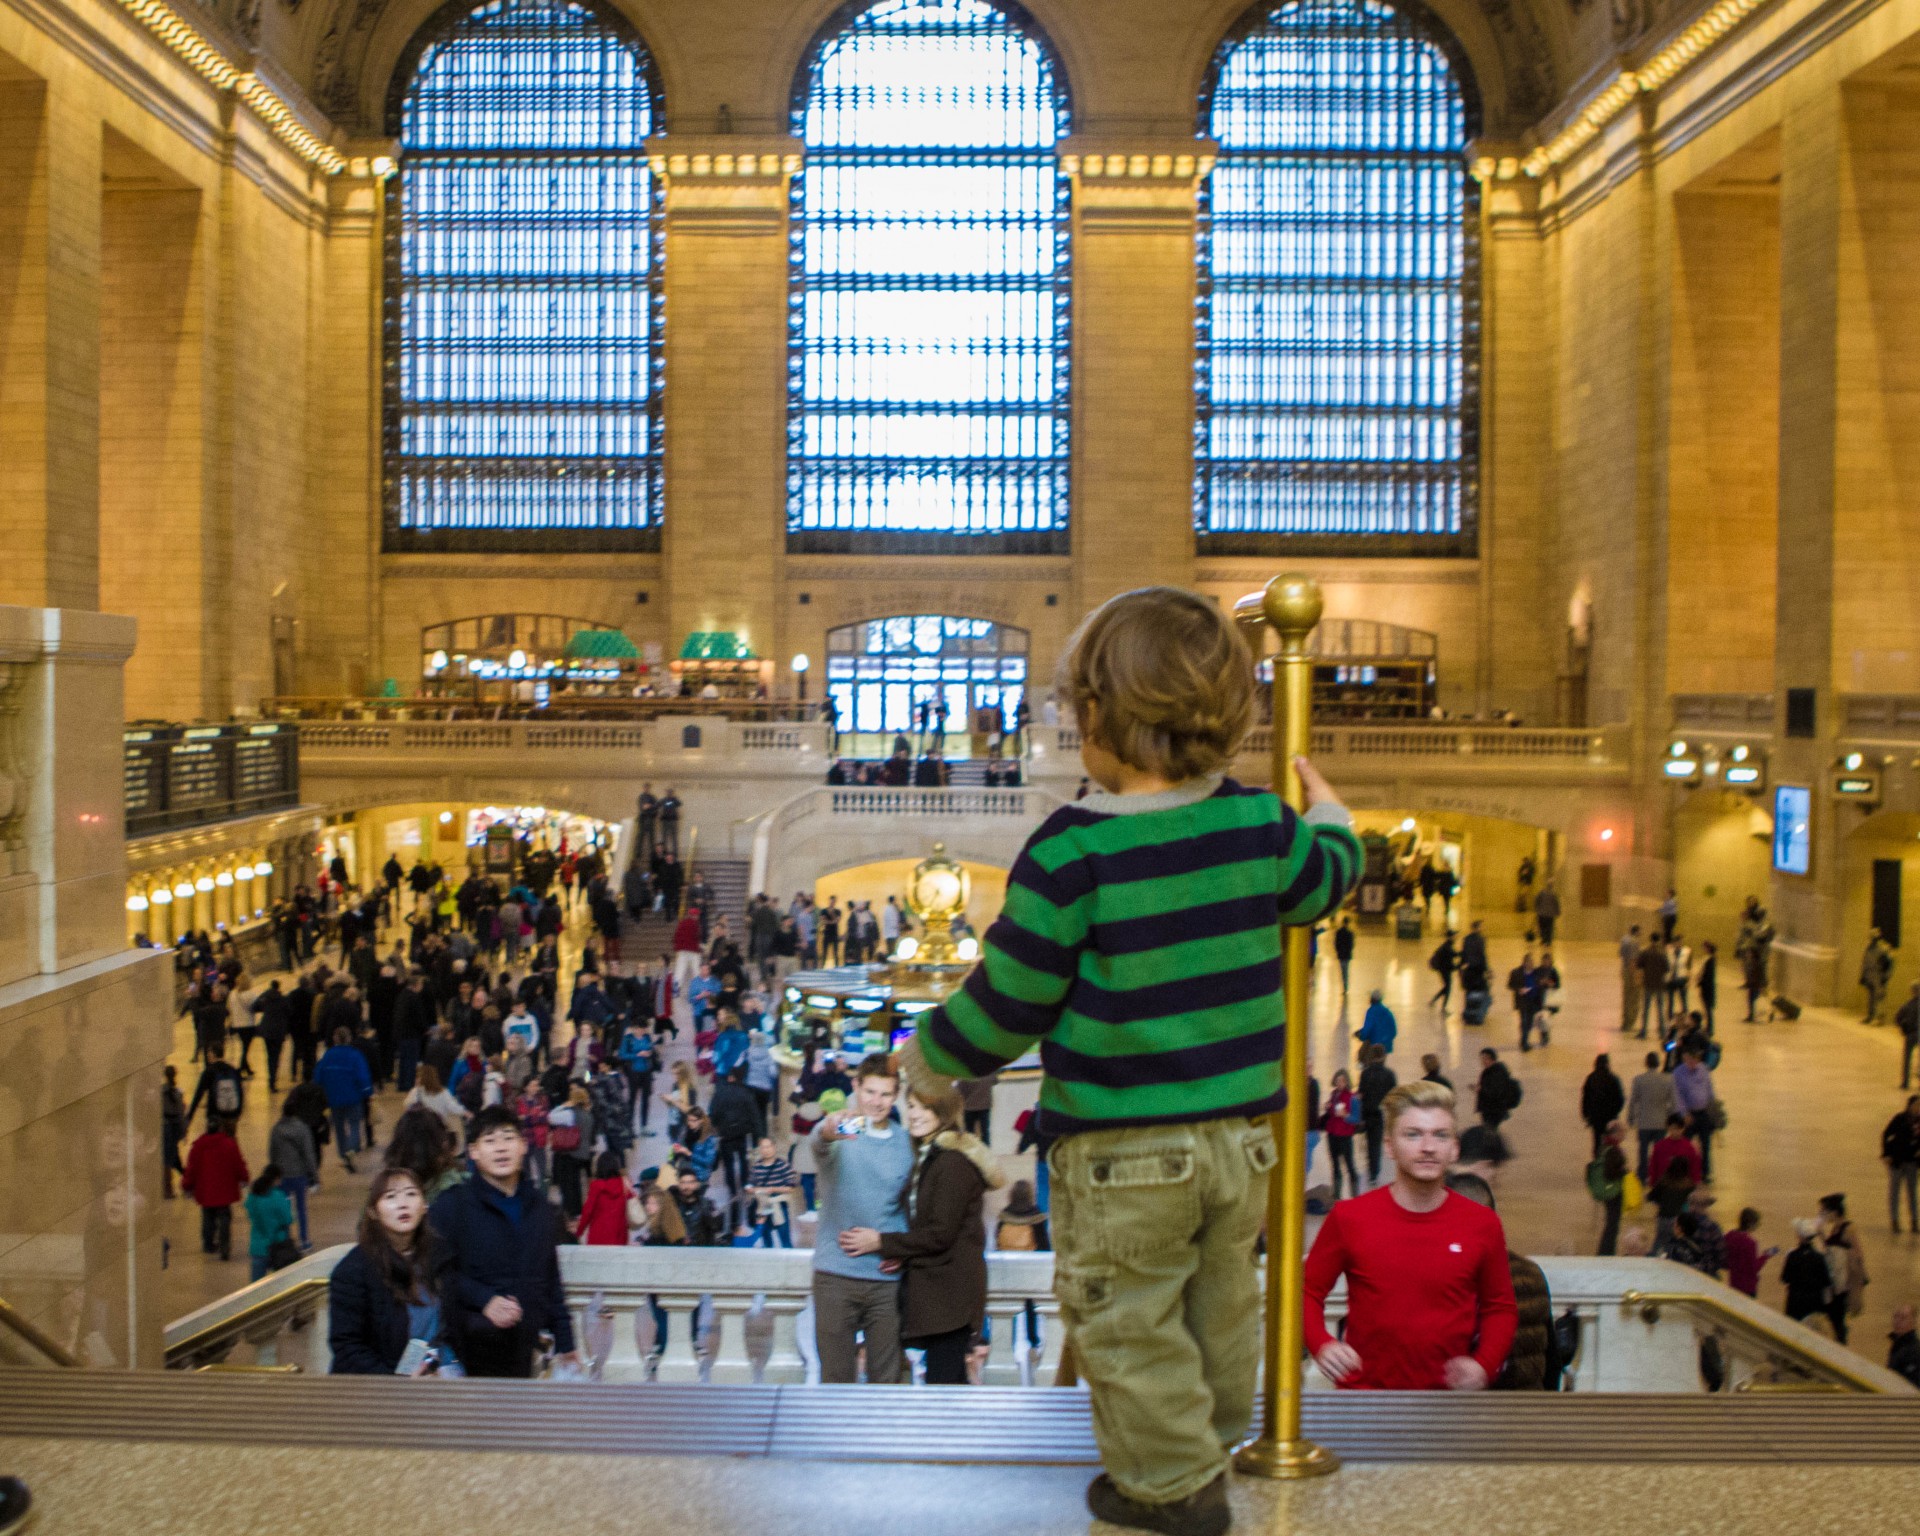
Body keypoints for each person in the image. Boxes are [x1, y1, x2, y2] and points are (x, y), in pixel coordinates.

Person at [895, 585, 1361, 1536]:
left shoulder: (1075, 853)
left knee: (1127, 1316)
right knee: (1221, 1308)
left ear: (1098, 715)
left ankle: (1171, 1483)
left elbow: (1012, 1001)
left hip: (1121, 1152)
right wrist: (1339, 823)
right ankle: (1210, 1438)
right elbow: (1326, 880)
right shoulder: (1260, 827)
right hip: (1243, 1143)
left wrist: (929, 1057)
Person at [1305, 1082, 1517, 1391]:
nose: (1428, 1147)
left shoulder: (1482, 1224)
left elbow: (1500, 1306)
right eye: (1413, 1134)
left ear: (1454, 1148)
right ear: (1389, 1146)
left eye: (1440, 1135)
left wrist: (1484, 1364)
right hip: (1364, 1399)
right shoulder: (1350, 1217)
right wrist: (1321, 1343)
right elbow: (1306, 1291)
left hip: (1448, 1405)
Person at [838, 1081, 1004, 1385]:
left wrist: (882, 1242)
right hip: (926, 1289)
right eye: (912, 1106)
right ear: (857, 1087)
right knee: (944, 1384)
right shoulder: (924, 1150)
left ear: (944, 1113)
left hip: (948, 1294)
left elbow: (940, 1233)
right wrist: (838, 1123)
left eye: (925, 1107)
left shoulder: (952, 1161)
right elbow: (827, 1138)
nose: (915, 1114)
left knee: (943, 1389)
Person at [428, 1104, 579, 1378]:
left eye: (508, 1138)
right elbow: (437, 1270)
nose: (501, 1148)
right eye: (489, 1140)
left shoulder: (542, 1209)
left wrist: (566, 1343)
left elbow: (550, 1278)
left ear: (523, 1146)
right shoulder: (453, 1205)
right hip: (467, 1348)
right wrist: (484, 1299)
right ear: (474, 1152)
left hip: (523, 1348)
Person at [810, 1053, 915, 1384]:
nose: (876, 1102)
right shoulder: (849, 1125)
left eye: (885, 1094)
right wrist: (829, 1129)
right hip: (835, 1275)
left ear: (896, 1095)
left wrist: (897, 1246)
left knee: (888, 1382)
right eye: (870, 1092)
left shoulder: (905, 1141)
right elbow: (822, 1140)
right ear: (855, 1087)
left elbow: (908, 1206)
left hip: (885, 1279)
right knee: (836, 1379)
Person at [329, 1167, 459, 1375]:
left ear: (425, 1205)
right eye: (390, 1197)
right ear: (373, 1212)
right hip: (379, 1383)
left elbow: (450, 1325)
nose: (403, 1204)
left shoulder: (440, 1253)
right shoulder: (353, 1270)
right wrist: (398, 1380)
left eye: (411, 1194)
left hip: (436, 1366)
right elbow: (347, 1348)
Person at [1445, 1170, 1556, 1390]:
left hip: (1467, 1414)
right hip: (1525, 1409)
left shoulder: (1447, 1276)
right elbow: (1551, 1360)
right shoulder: (1529, 1273)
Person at [182, 1117, 249, 1261]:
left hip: (206, 1190)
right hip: (225, 1189)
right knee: (225, 1217)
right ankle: (225, 1246)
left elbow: (191, 1169)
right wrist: (244, 1178)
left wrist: (186, 1185)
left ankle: (208, 1243)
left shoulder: (198, 1146)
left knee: (208, 1217)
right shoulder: (229, 1144)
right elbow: (238, 1163)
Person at [314, 1026, 373, 1173]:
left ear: (335, 1039)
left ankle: (343, 1152)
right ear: (349, 1039)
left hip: (333, 1098)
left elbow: (318, 1076)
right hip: (353, 1097)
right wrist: (368, 1092)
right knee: (354, 1124)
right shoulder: (355, 1055)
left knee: (339, 1127)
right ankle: (351, 1149)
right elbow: (363, 1076)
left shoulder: (328, 1055)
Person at [269, 1099, 320, 1250]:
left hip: (282, 1175)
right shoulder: (303, 1129)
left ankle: (285, 1239)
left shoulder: (276, 1130)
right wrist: (314, 1175)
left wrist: (275, 1171)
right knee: (301, 1208)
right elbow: (309, 1154)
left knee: (283, 1208)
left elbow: (272, 1152)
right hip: (299, 1175)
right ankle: (304, 1240)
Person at [1818, 1193, 1868, 1344]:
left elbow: (1858, 1255)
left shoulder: (1849, 1228)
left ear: (1834, 1212)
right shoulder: (1835, 1228)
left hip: (1843, 1284)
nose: (1822, 1215)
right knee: (1833, 1317)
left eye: (1824, 1212)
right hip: (1834, 1281)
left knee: (1837, 1318)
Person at [1626, 1051, 1677, 1182]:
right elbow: (1673, 1103)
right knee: (1659, 1151)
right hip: (1661, 1122)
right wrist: (1672, 1119)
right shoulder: (1667, 1079)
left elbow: (1633, 1101)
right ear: (1658, 1064)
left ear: (1646, 1063)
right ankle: (1658, 1175)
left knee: (1643, 1151)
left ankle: (1643, 1175)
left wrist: (1630, 1118)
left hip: (1644, 1122)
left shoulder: (1639, 1080)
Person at [243, 1165, 296, 1282]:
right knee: (280, 1285)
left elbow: (250, 1214)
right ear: (276, 1179)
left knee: (255, 1287)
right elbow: (288, 1219)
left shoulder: (253, 1197)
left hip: (257, 1248)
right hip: (277, 1248)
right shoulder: (277, 1196)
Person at [1672, 1046, 1717, 1180]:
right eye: (1689, 1059)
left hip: (1703, 1113)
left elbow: (1709, 1088)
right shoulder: (1678, 1073)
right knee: (1684, 1145)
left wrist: (1713, 1108)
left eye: (1695, 1060)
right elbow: (1677, 1095)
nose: (1692, 1063)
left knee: (1706, 1144)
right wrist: (1684, 1113)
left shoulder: (1704, 1069)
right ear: (1685, 1058)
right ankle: (1684, 1171)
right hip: (1688, 1115)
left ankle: (1705, 1172)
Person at [1356, 1042, 1397, 1186]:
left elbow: (1361, 1094)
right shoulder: (1389, 1075)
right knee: (1375, 1143)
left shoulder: (1366, 1073)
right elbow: (1394, 1095)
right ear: (1384, 1057)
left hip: (1366, 1112)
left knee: (1368, 1143)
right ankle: (1374, 1172)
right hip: (1380, 1113)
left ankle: (1370, 1169)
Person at [746, 1137, 799, 1248]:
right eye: (763, 1147)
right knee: (765, 1237)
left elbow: (791, 1186)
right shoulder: (756, 1167)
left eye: (769, 1146)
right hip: (762, 1205)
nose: (766, 1150)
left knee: (784, 1236)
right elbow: (749, 1185)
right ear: (760, 1150)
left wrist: (773, 1189)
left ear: (774, 1148)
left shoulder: (782, 1165)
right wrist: (754, 1190)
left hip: (779, 1204)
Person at [1781, 1218, 1832, 1329]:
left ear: (1800, 1237)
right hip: (1814, 1303)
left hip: (1795, 1303)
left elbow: (1785, 1278)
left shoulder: (1792, 1256)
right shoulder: (1819, 1257)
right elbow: (1826, 1282)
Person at [1587, 1123, 1629, 1256]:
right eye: (1622, 1133)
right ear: (1615, 1133)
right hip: (1614, 1191)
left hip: (1608, 1190)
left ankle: (1606, 1251)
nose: (1624, 1135)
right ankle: (1606, 1252)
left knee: (1611, 1223)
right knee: (1612, 1224)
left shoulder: (1604, 1146)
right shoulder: (1613, 1150)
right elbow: (1611, 1172)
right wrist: (1624, 1171)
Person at [576, 1152, 635, 1246]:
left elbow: (588, 1211)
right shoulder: (624, 1184)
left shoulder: (596, 1186)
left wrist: (579, 1231)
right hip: (619, 1235)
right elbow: (633, 1203)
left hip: (598, 1235)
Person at [185, 1041, 245, 1131]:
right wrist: (238, 1112)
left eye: (209, 1052)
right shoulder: (233, 1070)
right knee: (229, 1142)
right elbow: (240, 1092)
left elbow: (198, 1095)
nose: (208, 1054)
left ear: (213, 1054)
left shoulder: (209, 1072)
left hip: (215, 1115)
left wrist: (189, 1118)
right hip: (232, 1115)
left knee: (215, 1142)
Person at [1322, 1068, 1360, 1200]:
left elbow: (1356, 1118)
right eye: (1337, 1080)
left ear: (1347, 1082)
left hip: (1345, 1135)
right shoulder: (1333, 1095)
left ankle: (1355, 1195)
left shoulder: (1352, 1098)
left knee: (1349, 1164)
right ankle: (1337, 1195)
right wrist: (1328, 1107)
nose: (1339, 1083)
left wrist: (1346, 1116)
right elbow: (1331, 1112)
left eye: (1342, 1081)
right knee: (1335, 1165)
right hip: (1332, 1133)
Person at [1884, 1096, 1920, 1233]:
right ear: (1910, 1106)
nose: (1918, 1108)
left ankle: (1914, 1221)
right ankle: (1895, 1220)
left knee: (1912, 1193)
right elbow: (1887, 1134)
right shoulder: (1900, 1119)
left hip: (1912, 1162)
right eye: (1916, 1105)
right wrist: (1886, 1154)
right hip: (1897, 1161)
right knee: (1895, 1192)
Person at [1723, 1207, 1776, 1298]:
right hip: (1748, 1287)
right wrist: (1766, 1255)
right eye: (1757, 1223)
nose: (1758, 1225)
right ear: (1750, 1224)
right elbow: (1754, 1267)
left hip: (1734, 1282)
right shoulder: (1750, 1243)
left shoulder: (1729, 1236)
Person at [1580, 1053, 1625, 1159]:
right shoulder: (1614, 1079)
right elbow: (1620, 1099)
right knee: (1611, 1143)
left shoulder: (1591, 1078)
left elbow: (1585, 1098)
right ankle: (1610, 1164)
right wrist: (1615, 1112)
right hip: (1610, 1118)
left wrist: (1586, 1114)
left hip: (1596, 1118)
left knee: (1597, 1143)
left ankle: (1597, 1165)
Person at [1861, 930, 1895, 1024]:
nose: (1873, 940)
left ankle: (1880, 1018)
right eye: (1871, 938)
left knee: (1880, 997)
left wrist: (1886, 976)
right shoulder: (1868, 948)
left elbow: (1890, 963)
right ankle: (1870, 1016)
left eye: (1874, 938)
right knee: (1871, 998)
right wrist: (1863, 976)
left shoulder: (1883, 949)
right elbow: (1865, 962)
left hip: (1879, 976)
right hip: (1870, 976)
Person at [1888, 1305, 1920, 1389]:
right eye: (1895, 1316)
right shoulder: (1897, 1346)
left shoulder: (1914, 1350)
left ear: (1913, 1322)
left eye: (1903, 1318)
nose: (1897, 1321)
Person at [1357, 991, 1396, 1056]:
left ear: (1371, 999)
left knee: (1365, 1057)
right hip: (1386, 1046)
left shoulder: (1371, 1011)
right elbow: (1393, 1031)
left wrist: (1361, 1036)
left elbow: (1368, 1028)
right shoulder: (1387, 1012)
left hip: (1374, 1045)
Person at [1428, 930, 1458, 1011]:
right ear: (1450, 937)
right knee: (1448, 988)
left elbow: (1454, 955)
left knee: (1446, 987)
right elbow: (1452, 957)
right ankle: (1443, 1007)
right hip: (1445, 970)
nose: (1456, 938)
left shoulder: (1447, 945)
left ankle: (1433, 1000)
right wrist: (1457, 966)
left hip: (1443, 969)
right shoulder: (1447, 947)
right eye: (1454, 936)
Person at [1898, 984, 1920, 1090]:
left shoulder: (1907, 1005)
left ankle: (1905, 1082)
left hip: (1910, 1034)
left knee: (1907, 1059)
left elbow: (1898, 1017)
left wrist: (1904, 1029)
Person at [1696, 940, 1718, 1031]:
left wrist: (1701, 982)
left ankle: (1710, 1028)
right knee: (1706, 1008)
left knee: (1708, 1008)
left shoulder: (1710, 959)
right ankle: (1709, 1026)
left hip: (1707, 987)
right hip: (1705, 986)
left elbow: (1708, 975)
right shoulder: (1707, 959)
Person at [1533, 881, 1560, 948]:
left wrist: (1537, 909)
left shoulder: (1541, 893)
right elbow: (1556, 904)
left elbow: (1536, 901)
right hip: (1550, 915)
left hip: (1541, 914)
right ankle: (1548, 941)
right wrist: (1557, 912)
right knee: (1549, 928)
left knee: (1542, 927)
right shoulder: (1554, 894)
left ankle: (1543, 940)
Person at [1332, 916, 1355, 994]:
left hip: (1341, 955)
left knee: (1342, 971)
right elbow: (1352, 945)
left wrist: (1338, 951)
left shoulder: (1339, 932)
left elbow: (1336, 943)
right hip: (1347, 955)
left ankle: (1344, 986)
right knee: (1346, 971)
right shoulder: (1350, 933)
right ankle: (1345, 987)